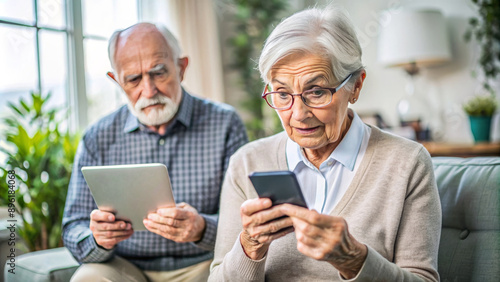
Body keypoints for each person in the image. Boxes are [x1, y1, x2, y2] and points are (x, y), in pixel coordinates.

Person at [209, 7, 441, 282]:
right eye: (282, 94)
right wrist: (250, 246)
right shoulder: (246, 162)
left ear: (355, 86)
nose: (298, 114)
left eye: (316, 92)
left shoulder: (407, 162)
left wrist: (355, 260)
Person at [62, 22, 248, 282]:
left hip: (202, 264)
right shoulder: (98, 136)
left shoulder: (225, 124)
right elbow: (73, 227)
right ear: (116, 80)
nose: (148, 91)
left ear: (181, 68)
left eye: (159, 73)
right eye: (133, 79)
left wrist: (202, 228)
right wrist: (98, 238)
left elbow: (245, 220)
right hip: (125, 266)